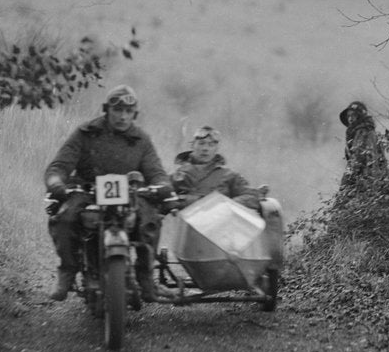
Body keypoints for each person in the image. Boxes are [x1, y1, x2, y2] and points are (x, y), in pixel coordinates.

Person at [43, 85, 172, 302]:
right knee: (64, 218)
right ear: (107, 110)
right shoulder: (85, 133)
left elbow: (156, 171)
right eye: (117, 110)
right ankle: (67, 271)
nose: (122, 117)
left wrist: (161, 185)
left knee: (150, 220)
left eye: (128, 112)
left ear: (134, 114)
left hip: (129, 193)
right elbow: (59, 166)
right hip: (87, 190)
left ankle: (145, 277)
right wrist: (57, 184)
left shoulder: (141, 140)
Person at [170, 126, 260, 211]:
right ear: (192, 145)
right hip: (182, 223)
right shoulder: (175, 176)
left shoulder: (229, 176)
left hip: (217, 223)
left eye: (211, 145)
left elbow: (251, 196)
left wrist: (225, 205)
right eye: (201, 143)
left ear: (216, 149)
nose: (205, 148)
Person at [339, 100, 389, 185]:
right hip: (370, 180)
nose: (350, 118)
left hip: (367, 180)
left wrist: (347, 180)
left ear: (359, 116)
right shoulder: (358, 133)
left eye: (353, 115)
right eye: (348, 116)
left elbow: (359, 157)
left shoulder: (363, 132)